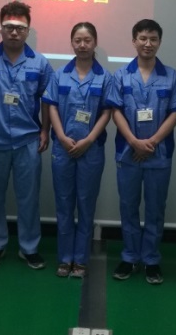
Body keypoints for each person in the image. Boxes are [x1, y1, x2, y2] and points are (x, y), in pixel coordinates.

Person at [0, 0, 53, 270]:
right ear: (0, 28)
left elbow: (48, 100)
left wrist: (45, 130)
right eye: (9, 27)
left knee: (29, 198)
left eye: (20, 28)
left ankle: (29, 247)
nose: (14, 32)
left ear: (28, 30)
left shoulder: (40, 63)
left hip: (28, 141)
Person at [106, 19, 176, 285]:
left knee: (155, 209)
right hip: (128, 153)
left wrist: (151, 142)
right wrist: (134, 141)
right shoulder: (121, 75)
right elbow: (115, 111)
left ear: (159, 42)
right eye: (142, 38)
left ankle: (151, 259)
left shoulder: (171, 76)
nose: (148, 43)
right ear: (134, 41)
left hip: (158, 153)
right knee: (128, 206)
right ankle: (130, 256)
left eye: (153, 39)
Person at [43, 22, 112, 279]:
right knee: (63, 205)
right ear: (72, 43)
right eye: (78, 40)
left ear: (95, 43)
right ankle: (64, 258)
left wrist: (89, 140)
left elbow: (107, 112)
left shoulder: (105, 77)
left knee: (85, 204)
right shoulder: (59, 74)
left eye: (87, 40)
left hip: (91, 149)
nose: (82, 45)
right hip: (63, 148)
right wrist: (61, 136)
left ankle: (80, 260)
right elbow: (51, 106)